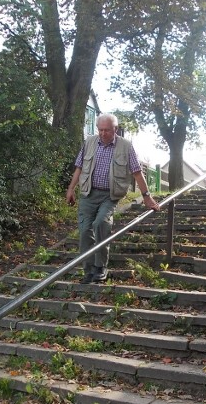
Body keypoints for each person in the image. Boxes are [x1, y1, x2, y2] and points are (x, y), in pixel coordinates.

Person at [66, 113, 160, 284]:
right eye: (100, 130)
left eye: (107, 130)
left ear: (115, 129)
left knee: (101, 223)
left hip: (110, 195)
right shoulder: (89, 143)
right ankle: (88, 271)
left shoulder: (126, 146)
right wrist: (71, 189)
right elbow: (79, 167)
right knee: (85, 231)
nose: (103, 133)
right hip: (88, 193)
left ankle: (100, 267)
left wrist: (147, 197)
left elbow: (137, 173)